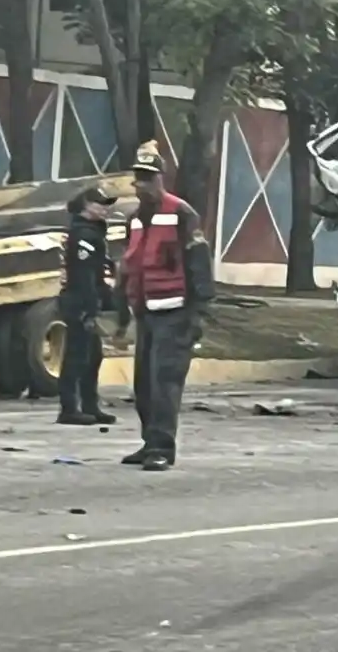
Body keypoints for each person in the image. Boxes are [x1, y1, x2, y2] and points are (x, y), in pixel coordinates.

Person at [114, 142, 214, 472]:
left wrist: (197, 313)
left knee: (165, 382)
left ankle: (162, 447)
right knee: (143, 384)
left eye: (149, 178)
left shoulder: (182, 214)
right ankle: (149, 442)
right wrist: (121, 311)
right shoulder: (135, 220)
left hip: (176, 314)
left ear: (161, 179)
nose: (143, 184)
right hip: (145, 314)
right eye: (139, 178)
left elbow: (199, 264)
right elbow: (129, 267)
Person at [57, 186, 118, 427]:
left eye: (107, 205)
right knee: (77, 356)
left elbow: (98, 274)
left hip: (89, 301)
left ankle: (90, 405)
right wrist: (88, 307)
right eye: (100, 204)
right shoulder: (83, 235)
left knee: (93, 356)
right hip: (79, 302)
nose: (105, 209)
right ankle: (70, 408)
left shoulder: (94, 232)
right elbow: (83, 276)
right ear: (86, 206)